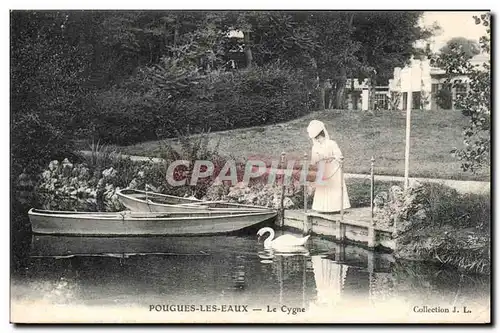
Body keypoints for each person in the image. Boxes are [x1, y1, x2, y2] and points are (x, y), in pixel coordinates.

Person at [307, 120, 351, 213]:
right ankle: (323, 208)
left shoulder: (331, 143)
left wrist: (332, 157)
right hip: (322, 169)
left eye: (319, 137)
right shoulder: (315, 147)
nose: (318, 140)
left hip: (333, 169)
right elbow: (313, 161)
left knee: (334, 187)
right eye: (316, 138)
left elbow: (339, 156)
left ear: (322, 135)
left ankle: (336, 208)